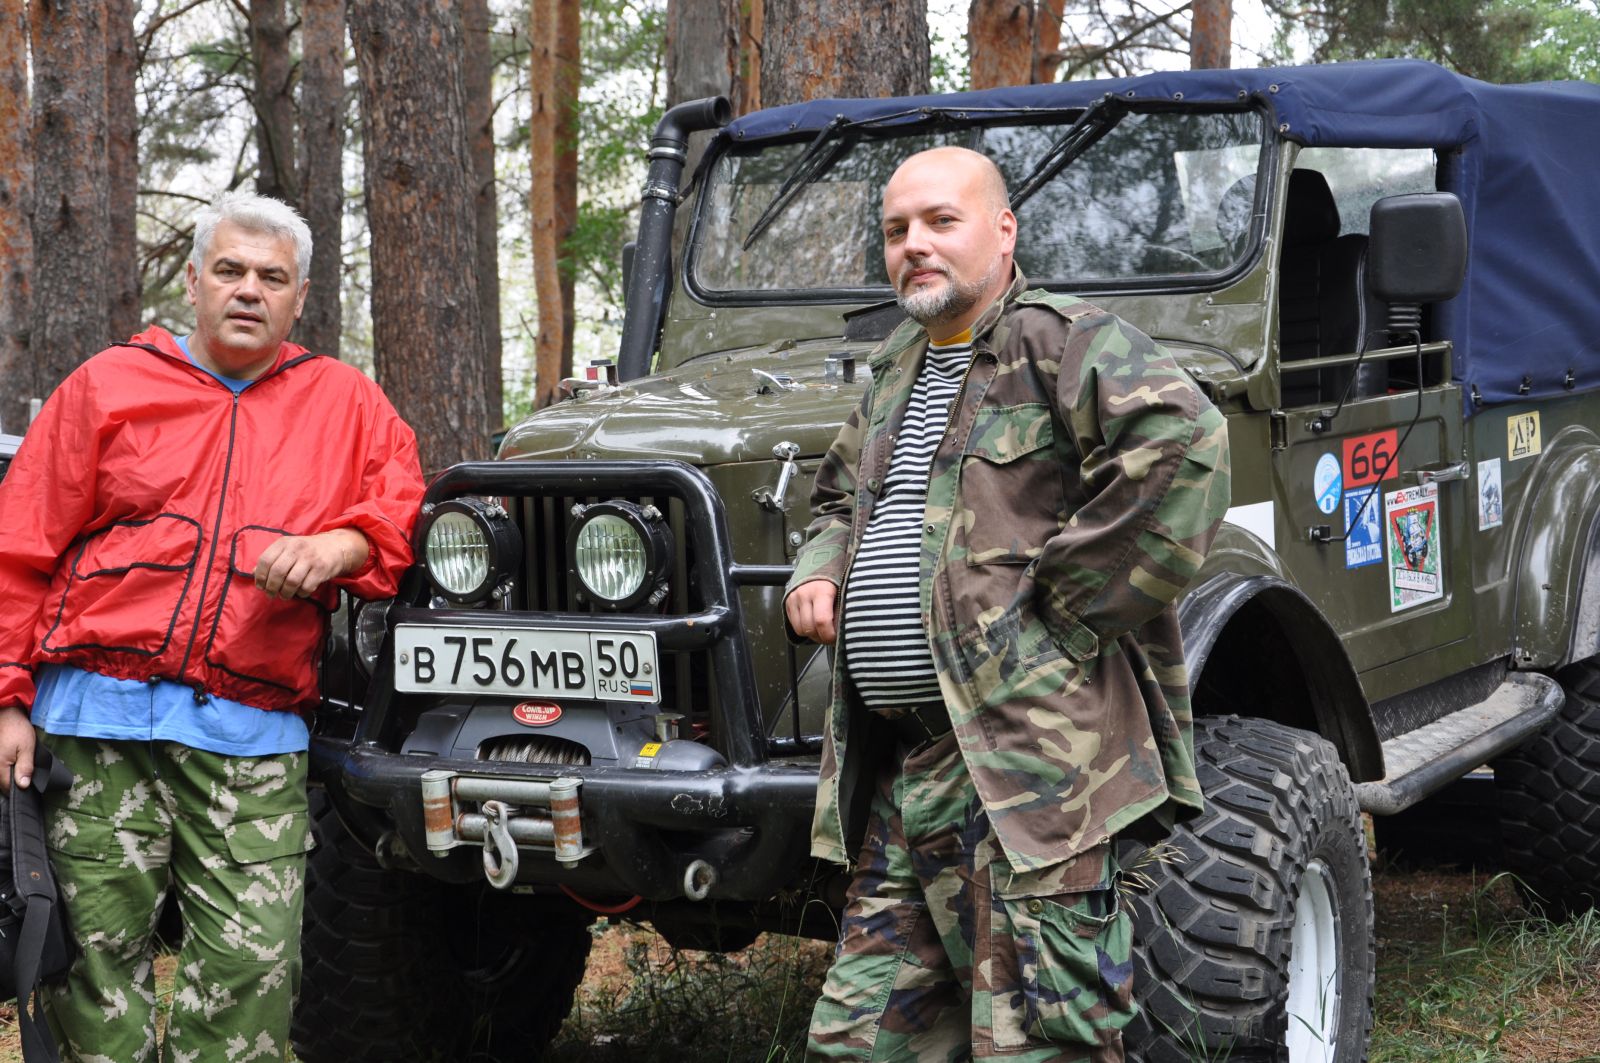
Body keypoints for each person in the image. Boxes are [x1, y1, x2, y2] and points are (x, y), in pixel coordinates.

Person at [785, 146, 1230, 1061]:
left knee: (1037, 1042)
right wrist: (821, 569)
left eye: (940, 221)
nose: (914, 244)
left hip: (1028, 775)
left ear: (1002, 229)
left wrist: (1064, 612)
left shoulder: (1063, 342)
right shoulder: (896, 368)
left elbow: (1187, 448)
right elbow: (837, 499)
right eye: (896, 230)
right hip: (908, 771)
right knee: (855, 1041)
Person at [0, 189, 424, 1061]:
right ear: (193, 281)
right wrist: (7, 698)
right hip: (92, 734)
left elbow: (402, 516)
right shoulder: (107, 385)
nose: (248, 290)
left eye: (272, 277)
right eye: (229, 270)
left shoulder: (345, 403)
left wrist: (341, 544)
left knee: (252, 971)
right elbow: (19, 546)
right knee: (89, 975)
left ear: (300, 298)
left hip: (251, 741)